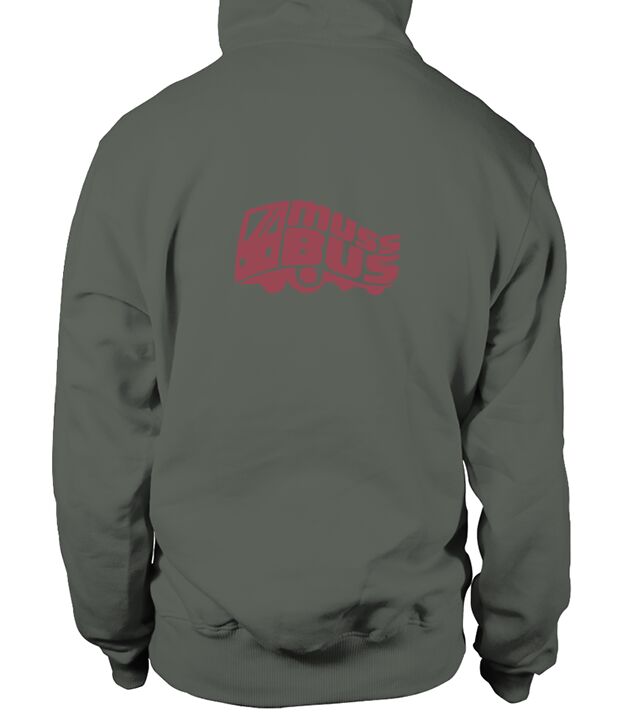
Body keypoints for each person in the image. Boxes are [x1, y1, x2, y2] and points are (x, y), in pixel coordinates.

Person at [52, 0, 570, 706]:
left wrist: (115, 628)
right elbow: (521, 446)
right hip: (413, 654)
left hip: (201, 648)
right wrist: (516, 645)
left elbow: (103, 431)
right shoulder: (495, 158)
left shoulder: (139, 153)